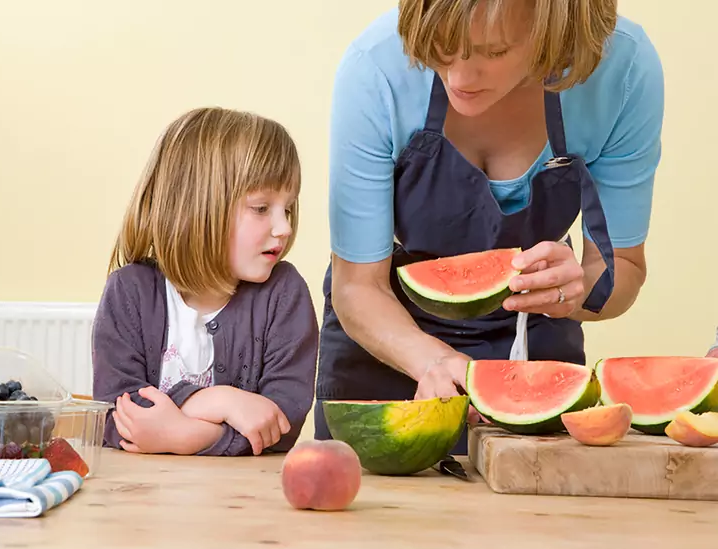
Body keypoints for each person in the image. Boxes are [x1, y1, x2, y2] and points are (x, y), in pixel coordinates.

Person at [315, 0, 665, 453]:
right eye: (441, 47)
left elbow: (622, 268)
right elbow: (358, 286)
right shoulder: (376, 68)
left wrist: (577, 291)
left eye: (494, 51)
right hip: (388, 335)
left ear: (553, 29)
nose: (459, 77)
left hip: (534, 335)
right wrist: (433, 361)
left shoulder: (623, 70)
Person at [91, 107, 318, 457]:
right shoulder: (130, 292)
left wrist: (190, 436)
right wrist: (220, 401)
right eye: (261, 208)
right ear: (195, 206)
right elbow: (116, 415)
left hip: (246, 490)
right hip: (140, 488)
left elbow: (280, 422)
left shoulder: (284, 295)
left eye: (287, 209)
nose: (284, 227)